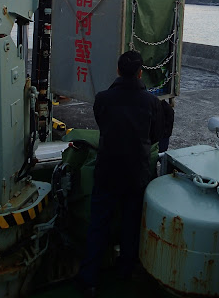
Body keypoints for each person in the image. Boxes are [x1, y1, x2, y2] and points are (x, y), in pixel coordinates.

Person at [77, 51, 163, 295]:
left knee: (98, 224)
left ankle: (89, 278)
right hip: (136, 173)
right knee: (130, 224)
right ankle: (125, 271)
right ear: (140, 73)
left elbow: (103, 125)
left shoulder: (103, 99)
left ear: (117, 70)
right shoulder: (152, 102)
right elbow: (155, 135)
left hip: (107, 170)